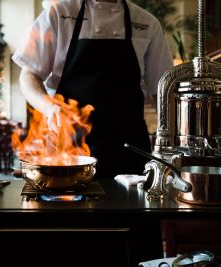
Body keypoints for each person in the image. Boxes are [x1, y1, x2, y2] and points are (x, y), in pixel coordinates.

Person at [12, 0, 173, 264]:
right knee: (72, 243)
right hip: (70, 157)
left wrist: (173, 141)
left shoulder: (146, 22)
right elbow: (28, 76)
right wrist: (49, 107)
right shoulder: (60, 14)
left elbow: (163, 93)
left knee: (136, 243)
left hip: (130, 154)